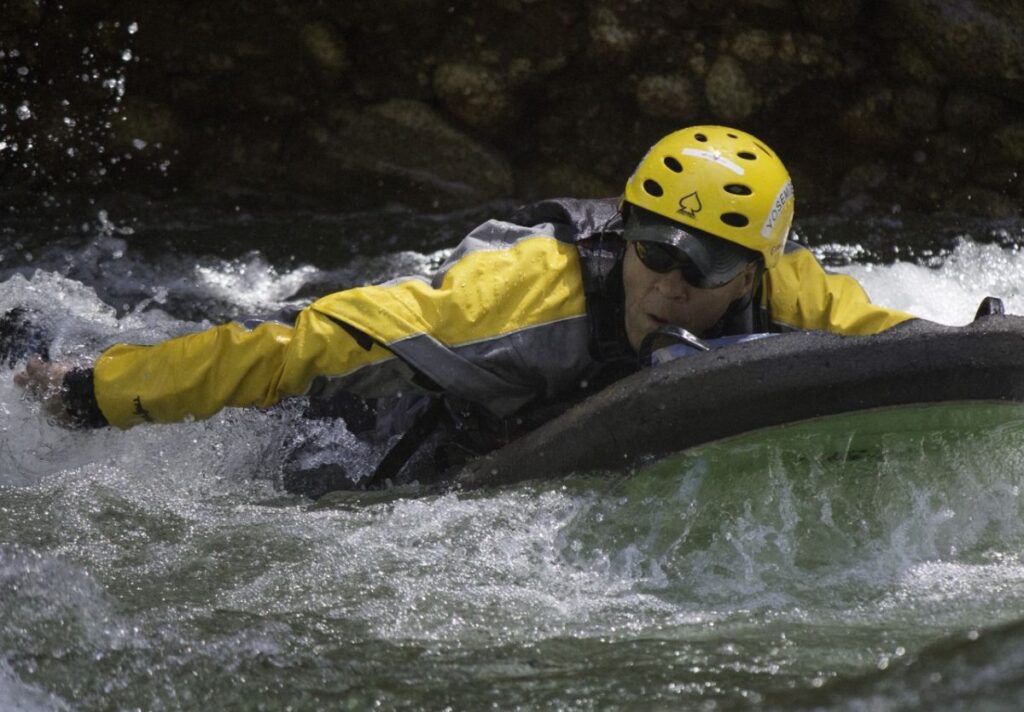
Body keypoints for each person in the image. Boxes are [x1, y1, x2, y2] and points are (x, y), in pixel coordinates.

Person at [12, 125, 914, 495]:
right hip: (389, 398)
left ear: (754, 274)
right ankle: (53, 344)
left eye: (708, 263)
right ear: (630, 236)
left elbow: (910, 350)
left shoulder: (791, 295)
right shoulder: (516, 303)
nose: (672, 281)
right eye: (655, 249)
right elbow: (301, 346)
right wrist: (96, 393)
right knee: (321, 475)